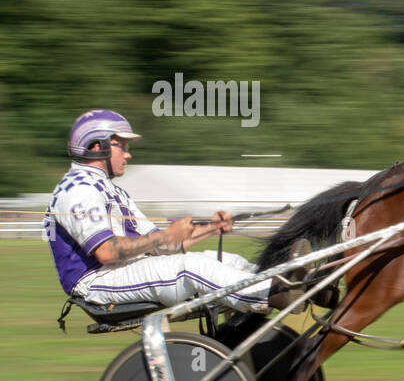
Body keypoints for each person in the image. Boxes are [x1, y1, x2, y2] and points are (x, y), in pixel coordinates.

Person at [46, 109, 307, 314]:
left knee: (226, 262)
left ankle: (294, 284)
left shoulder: (113, 191)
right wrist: (166, 236)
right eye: (121, 146)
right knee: (190, 267)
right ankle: (272, 294)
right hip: (96, 282)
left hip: (121, 270)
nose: (128, 155)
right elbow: (106, 252)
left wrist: (210, 228)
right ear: (96, 146)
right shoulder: (78, 189)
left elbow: (162, 247)